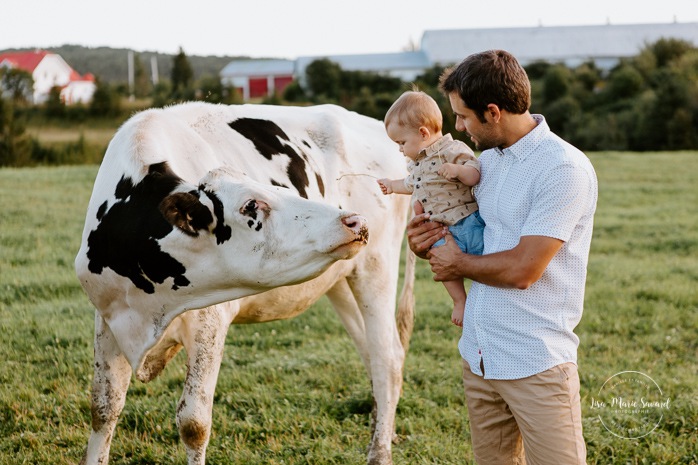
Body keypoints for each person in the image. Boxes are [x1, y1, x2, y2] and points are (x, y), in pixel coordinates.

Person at [406, 50, 598, 464]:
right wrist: (426, 243)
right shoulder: (484, 164)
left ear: (492, 112)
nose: (456, 126)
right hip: (478, 355)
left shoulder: (562, 169)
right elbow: (462, 235)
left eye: (462, 117)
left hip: (535, 362)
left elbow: (523, 269)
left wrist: (457, 264)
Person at [377, 90, 484, 327]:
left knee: (485, 261)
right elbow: (410, 184)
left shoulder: (452, 149)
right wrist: (391, 186)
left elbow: (474, 171)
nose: (400, 150)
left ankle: (490, 301)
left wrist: (458, 172)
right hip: (442, 231)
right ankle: (460, 301)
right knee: (442, 264)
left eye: (402, 143)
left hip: (468, 221)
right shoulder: (417, 165)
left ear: (423, 133)